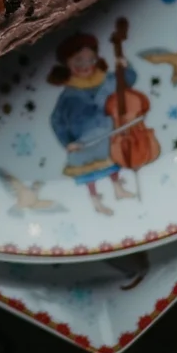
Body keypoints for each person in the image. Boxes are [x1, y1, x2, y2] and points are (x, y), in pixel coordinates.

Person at [47, 33, 136, 216]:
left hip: (108, 134)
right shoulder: (69, 94)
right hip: (84, 142)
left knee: (112, 164)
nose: (86, 66)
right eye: (78, 61)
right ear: (68, 64)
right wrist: (68, 143)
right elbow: (57, 121)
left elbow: (127, 80)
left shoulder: (106, 80)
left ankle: (118, 188)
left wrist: (125, 64)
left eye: (90, 60)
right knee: (90, 174)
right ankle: (95, 201)